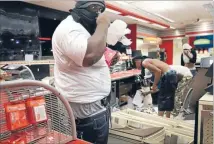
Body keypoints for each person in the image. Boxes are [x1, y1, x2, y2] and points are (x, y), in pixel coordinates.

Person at [52, 1, 111, 144]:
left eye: (101, 9)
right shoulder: (70, 29)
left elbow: (93, 55)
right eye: (94, 8)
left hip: (95, 109)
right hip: (87, 114)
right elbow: (89, 56)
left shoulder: (82, 29)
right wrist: (103, 24)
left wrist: (108, 59)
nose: (98, 13)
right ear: (79, 9)